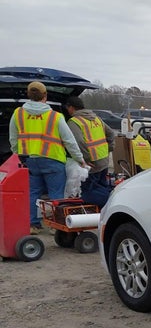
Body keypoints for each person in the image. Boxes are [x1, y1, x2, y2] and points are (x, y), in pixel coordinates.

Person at [8, 81, 87, 234]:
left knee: (33, 192)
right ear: (45, 96)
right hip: (53, 160)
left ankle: (33, 225)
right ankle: (55, 225)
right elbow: (69, 141)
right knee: (56, 194)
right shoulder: (55, 116)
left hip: (29, 161)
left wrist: (18, 154)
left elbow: (13, 138)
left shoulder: (18, 113)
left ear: (28, 95)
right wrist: (80, 159)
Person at [65, 96, 115, 207]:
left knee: (89, 192)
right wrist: (109, 149)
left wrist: (85, 159)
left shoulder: (74, 122)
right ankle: (106, 209)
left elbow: (78, 142)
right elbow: (111, 133)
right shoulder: (96, 118)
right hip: (103, 161)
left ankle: (112, 203)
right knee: (102, 187)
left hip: (91, 163)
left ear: (71, 107)